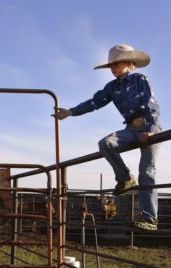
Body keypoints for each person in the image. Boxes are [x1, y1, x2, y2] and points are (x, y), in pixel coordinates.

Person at [54, 44, 161, 231]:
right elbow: (95, 102)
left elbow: (150, 102)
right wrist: (70, 112)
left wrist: (150, 128)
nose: (113, 68)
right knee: (106, 143)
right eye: (111, 65)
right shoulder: (112, 87)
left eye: (116, 64)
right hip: (130, 129)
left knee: (147, 172)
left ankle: (149, 218)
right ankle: (125, 177)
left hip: (148, 126)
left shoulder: (139, 79)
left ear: (130, 64)